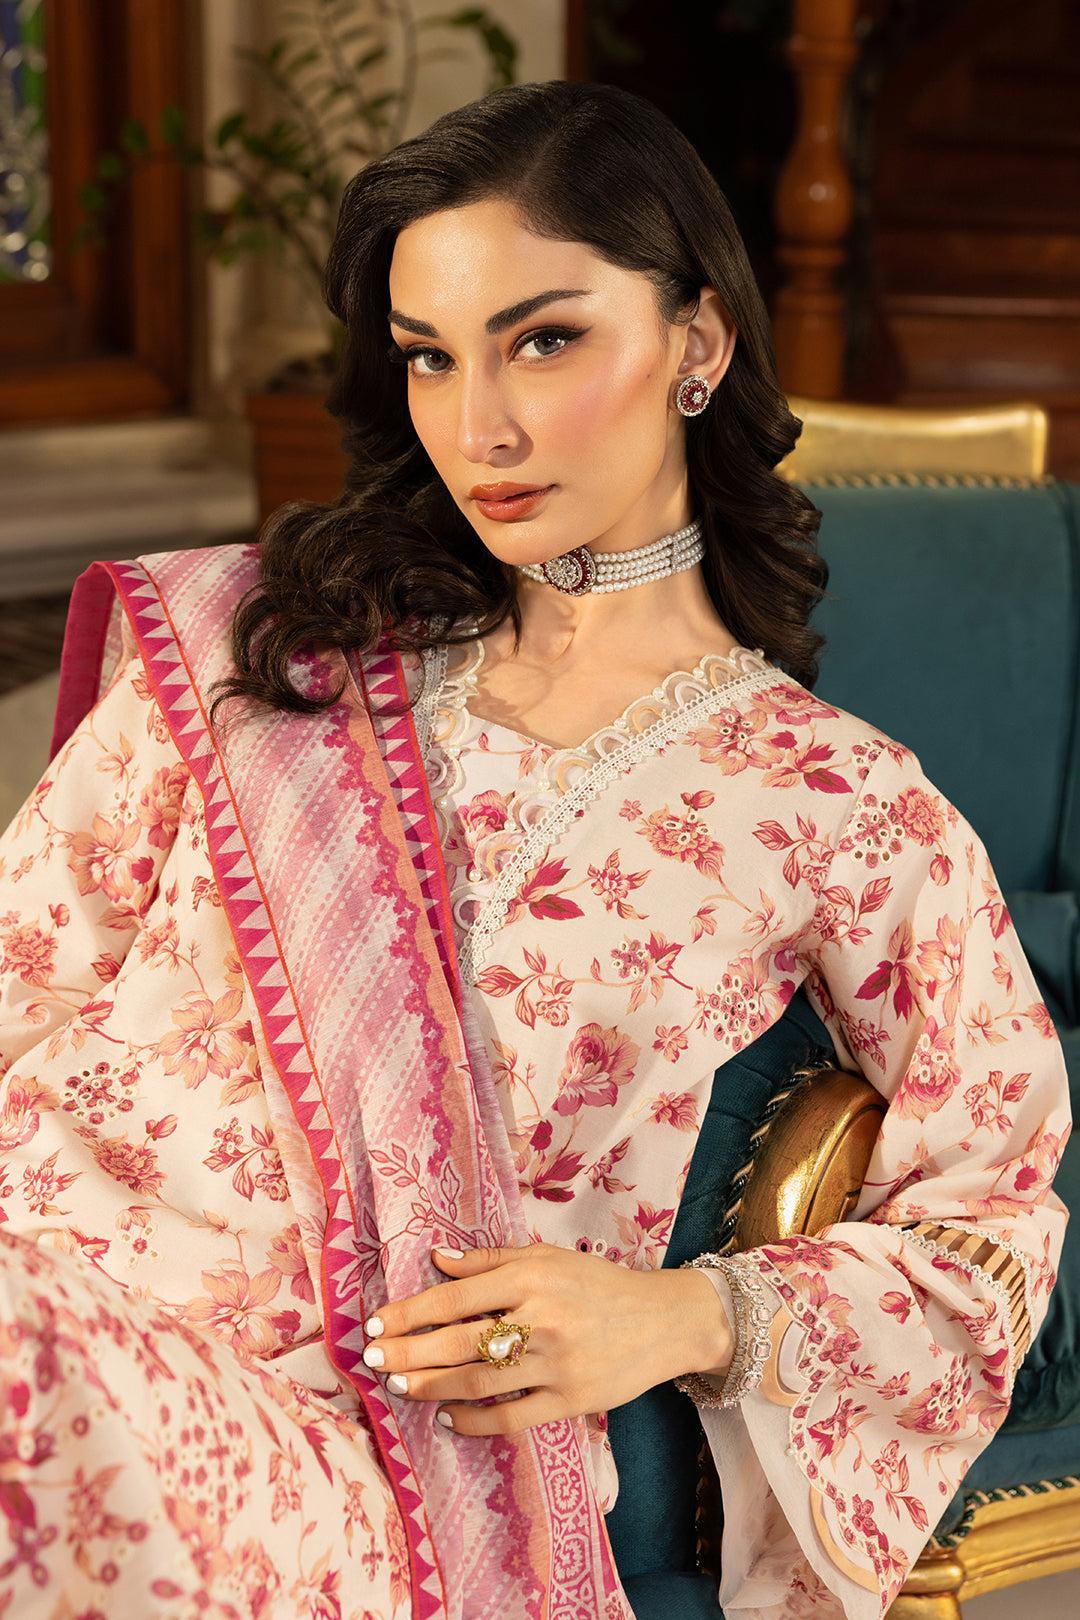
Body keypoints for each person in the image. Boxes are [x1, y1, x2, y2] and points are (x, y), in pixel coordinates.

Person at [0, 79, 1068, 1620]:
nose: (477, 425)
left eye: (544, 339)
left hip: (354, 1462)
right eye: (432, 356)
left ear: (699, 342)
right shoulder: (273, 651)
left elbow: (994, 1235)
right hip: (45, 1296)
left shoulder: (833, 803)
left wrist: (683, 1317)